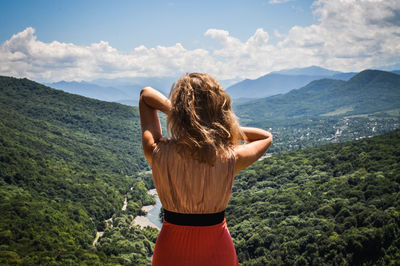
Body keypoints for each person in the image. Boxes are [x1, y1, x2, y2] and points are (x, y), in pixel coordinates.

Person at [139, 73, 272, 266]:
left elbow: (146, 95)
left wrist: (185, 119)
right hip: (217, 250)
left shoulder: (156, 151)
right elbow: (265, 137)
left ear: (179, 109)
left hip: (171, 251)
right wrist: (217, 127)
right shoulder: (230, 157)